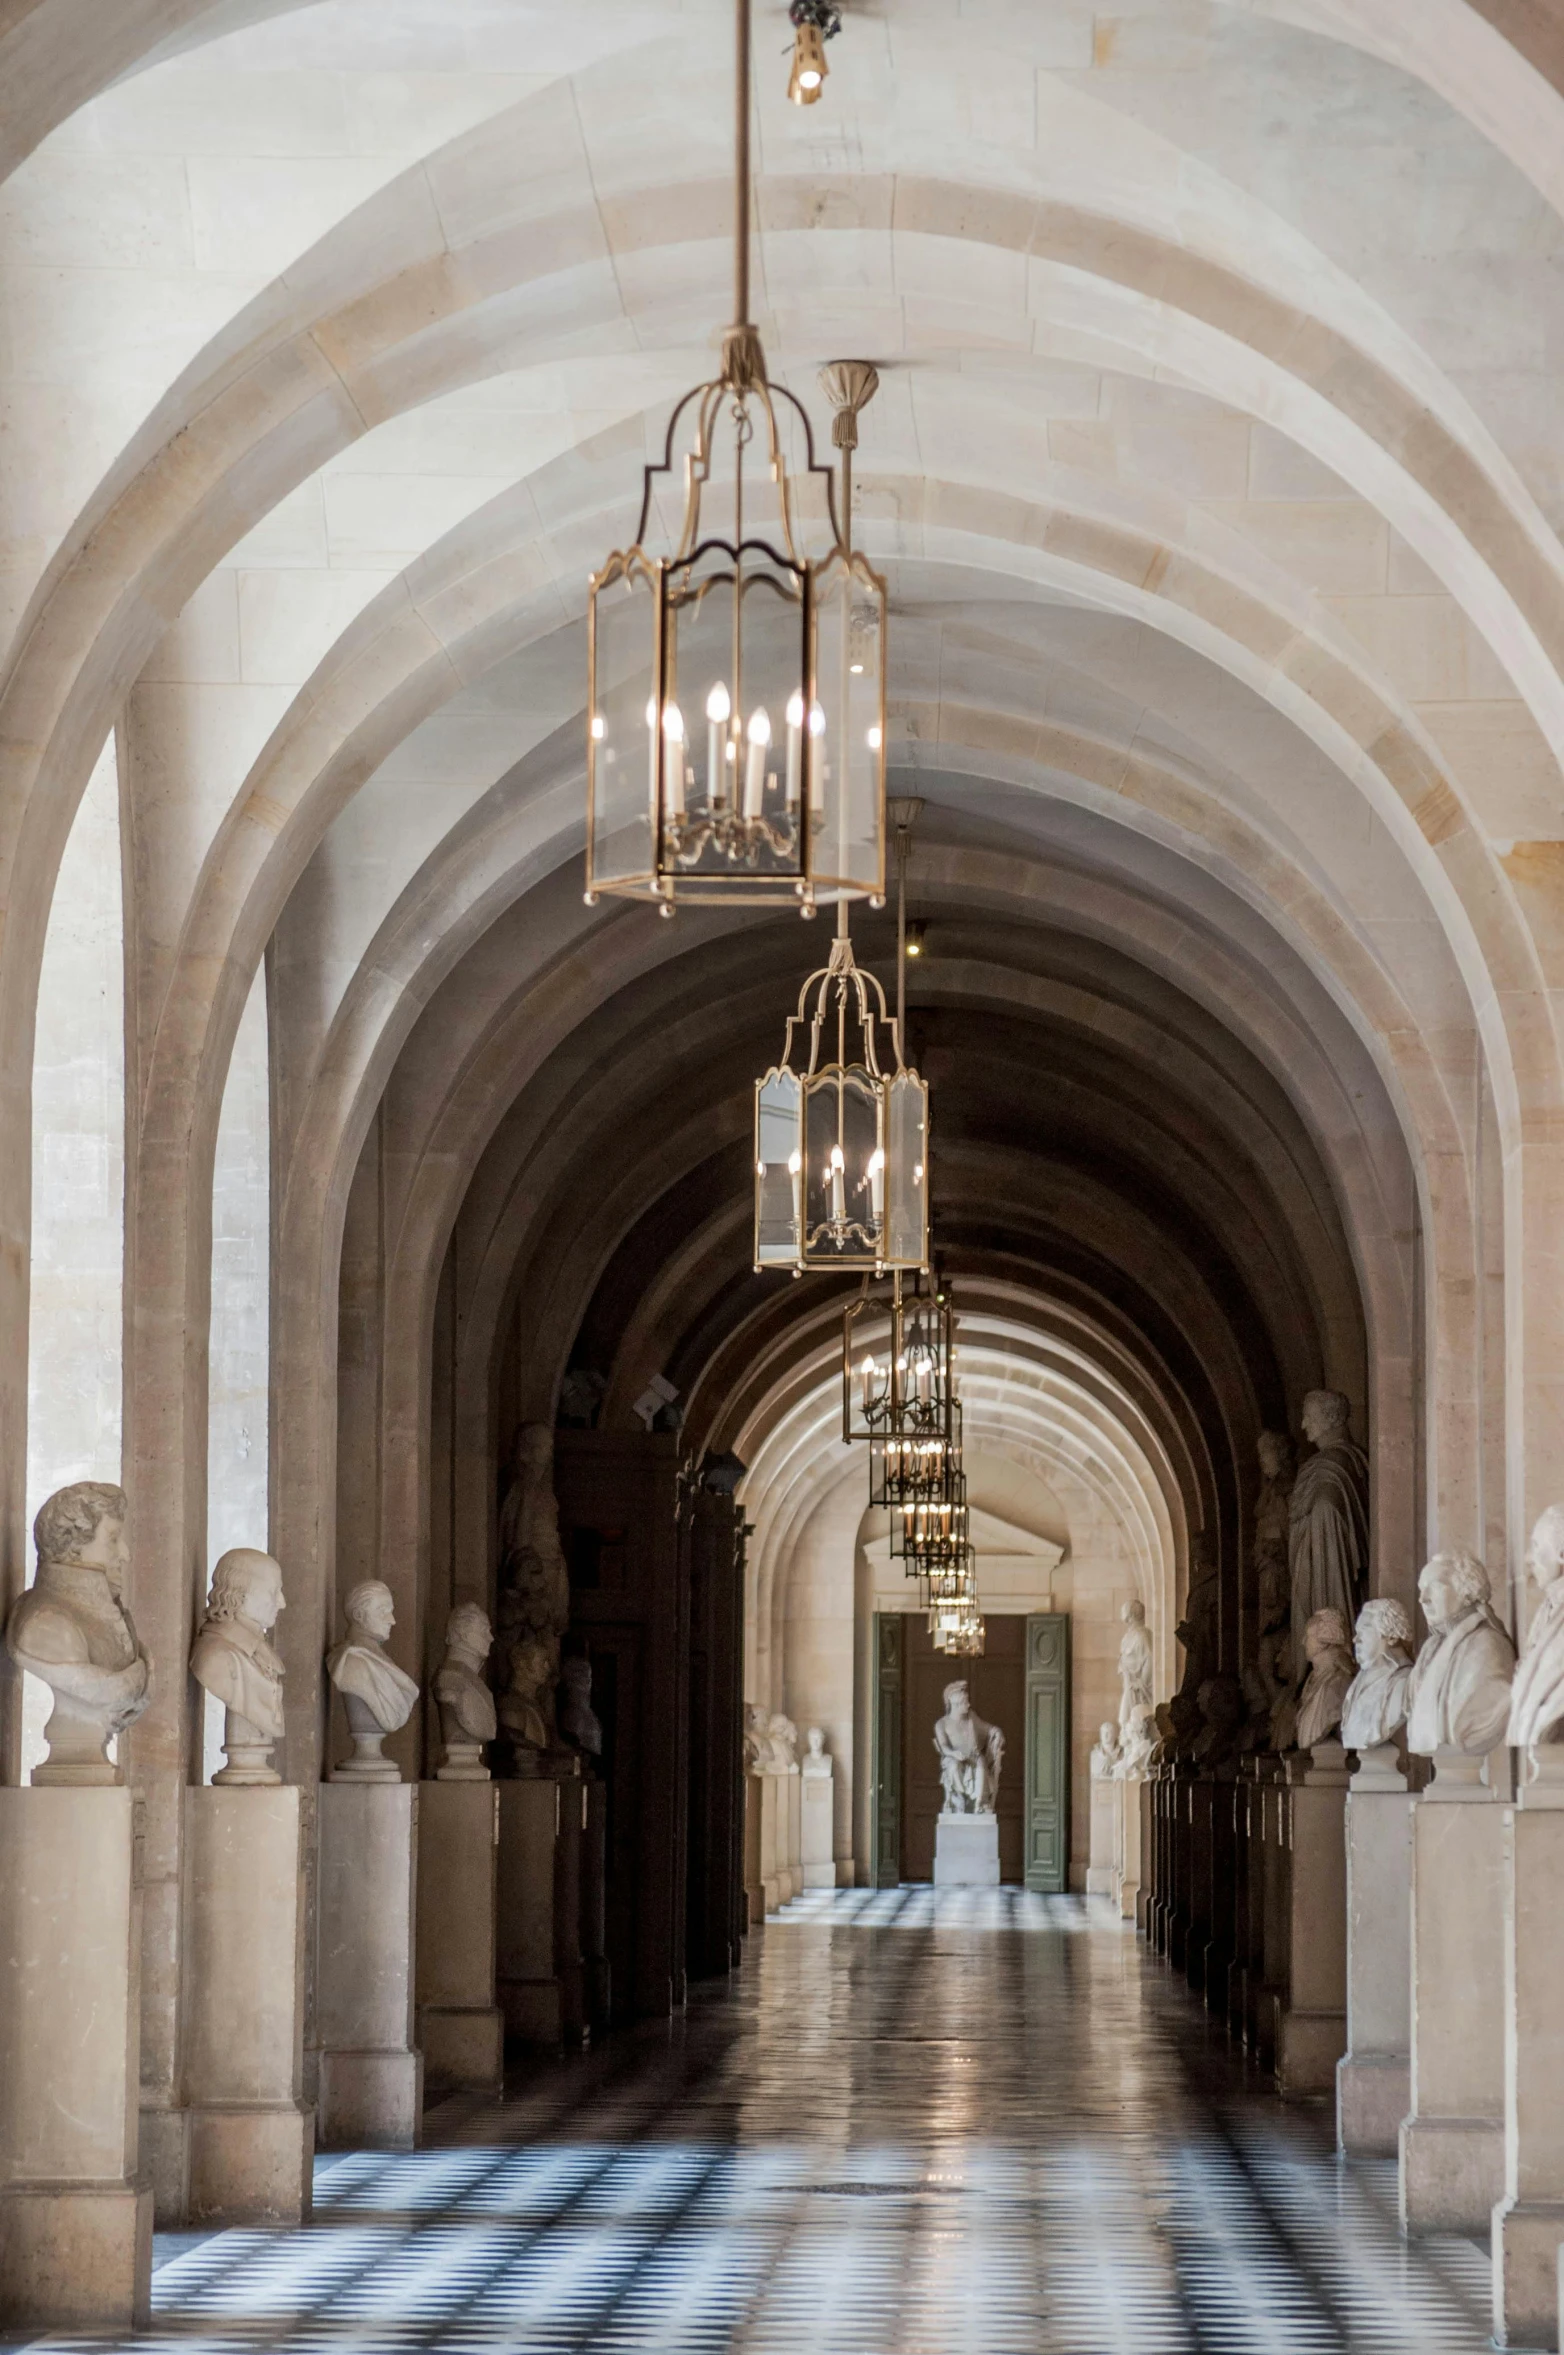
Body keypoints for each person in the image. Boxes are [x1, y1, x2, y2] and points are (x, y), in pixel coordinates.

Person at [7, 1480, 150, 1783]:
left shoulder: (112, 1616)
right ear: (74, 1544)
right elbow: (117, 1689)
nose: (125, 1553)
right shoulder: (44, 1622)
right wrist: (138, 1674)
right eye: (113, 1539)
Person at [934, 1679, 1004, 1814]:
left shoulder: (972, 1718)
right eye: (966, 1702)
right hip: (953, 1758)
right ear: (956, 1705)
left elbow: (988, 1728)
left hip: (973, 1756)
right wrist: (954, 1754)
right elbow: (943, 1746)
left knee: (981, 1764)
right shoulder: (941, 1724)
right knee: (954, 1767)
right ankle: (960, 1799)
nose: (969, 1704)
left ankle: (978, 1803)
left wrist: (997, 1731)